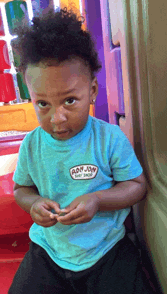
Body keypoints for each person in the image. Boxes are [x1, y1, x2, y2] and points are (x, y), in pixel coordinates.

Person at [9, 7, 154, 294]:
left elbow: (137, 186)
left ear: (93, 91)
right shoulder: (32, 145)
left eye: (70, 101)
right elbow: (21, 190)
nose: (57, 117)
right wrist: (33, 204)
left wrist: (98, 200)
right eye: (43, 104)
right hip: (49, 251)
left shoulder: (109, 139)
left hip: (106, 249)